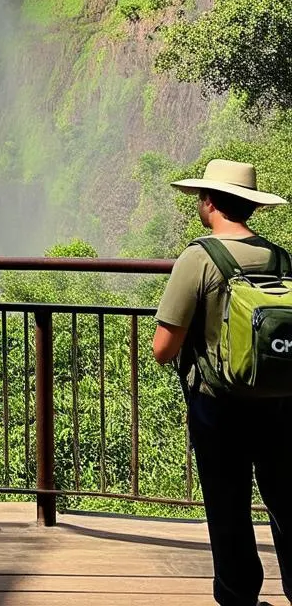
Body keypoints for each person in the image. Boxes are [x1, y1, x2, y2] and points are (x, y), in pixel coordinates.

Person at [154, 159, 292, 606]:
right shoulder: (280, 257)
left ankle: (239, 597)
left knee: (228, 507)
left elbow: (163, 347)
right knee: (285, 499)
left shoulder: (199, 258)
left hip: (219, 407)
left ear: (210, 202)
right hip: (279, 402)